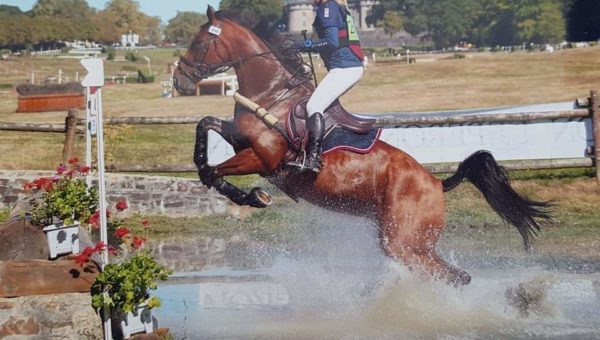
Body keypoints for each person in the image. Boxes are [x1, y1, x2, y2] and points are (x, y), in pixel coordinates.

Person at [293, 0, 365, 173]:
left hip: (345, 68)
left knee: (313, 105)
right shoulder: (336, 7)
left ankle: (313, 160)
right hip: (345, 67)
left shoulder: (328, 7)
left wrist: (303, 45)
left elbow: (331, 42)